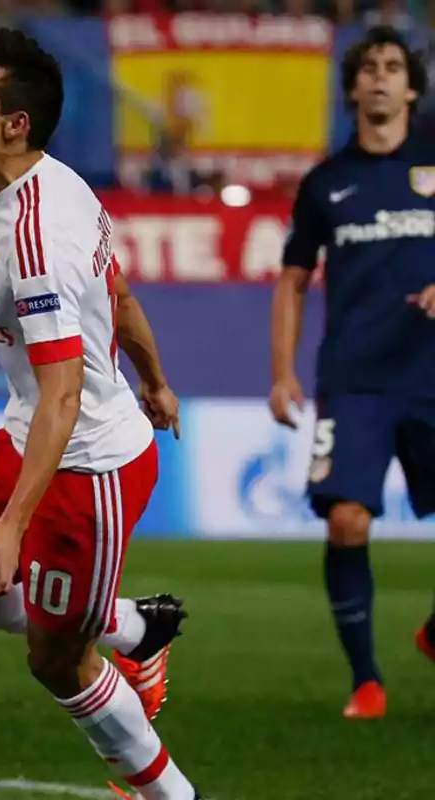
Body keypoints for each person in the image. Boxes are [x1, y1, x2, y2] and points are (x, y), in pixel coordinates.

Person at [0, 28, 199, 800]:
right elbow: (118, 291)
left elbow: (65, 393)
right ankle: (132, 626)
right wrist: (156, 379)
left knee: (58, 662)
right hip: (30, 430)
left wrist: (15, 521)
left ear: (14, 123)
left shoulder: (36, 238)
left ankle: (172, 795)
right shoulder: (50, 187)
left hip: (84, 465)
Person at [270, 25, 435, 720]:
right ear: (351, 89)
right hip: (356, 380)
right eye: (367, 68)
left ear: (412, 89)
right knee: (346, 522)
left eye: (393, 67)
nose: (379, 78)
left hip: (431, 374)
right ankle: (366, 681)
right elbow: (292, 280)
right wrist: (282, 372)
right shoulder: (325, 184)